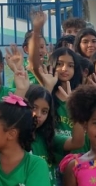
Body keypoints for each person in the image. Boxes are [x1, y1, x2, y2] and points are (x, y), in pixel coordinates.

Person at [28, 12, 83, 140]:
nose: (65, 69)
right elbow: (34, 64)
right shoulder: (47, 85)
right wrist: (36, 31)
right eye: (59, 64)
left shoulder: (80, 93)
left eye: (70, 65)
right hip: (50, 151)